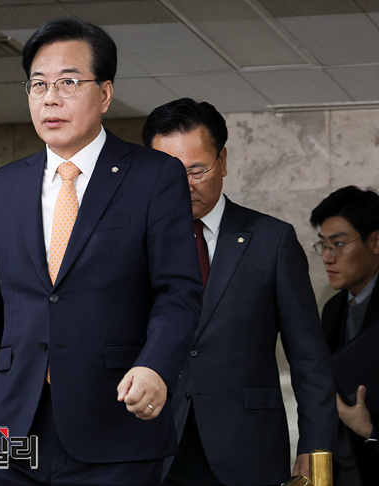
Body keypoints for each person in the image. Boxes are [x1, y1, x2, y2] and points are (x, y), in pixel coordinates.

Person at [0, 18, 203, 486]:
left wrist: (156, 365)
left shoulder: (153, 175)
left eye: (68, 83)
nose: (50, 99)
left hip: (114, 422)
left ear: (105, 93)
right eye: (38, 85)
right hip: (12, 426)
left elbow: (178, 292)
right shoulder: (3, 185)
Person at [142, 98, 337, 486]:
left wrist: (315, 448)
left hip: (247, 449)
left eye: (196, 170)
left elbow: (309, 359)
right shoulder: (134, 244)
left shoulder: (271, 241)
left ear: (223, 161)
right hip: (153, 446)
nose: (183, 185)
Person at [310, 186, 379, 485]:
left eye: (338, 244)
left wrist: (371, 431)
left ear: (375, 242)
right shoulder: (333, 309)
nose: (328, 257)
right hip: (342, 467)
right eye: (323, 245)